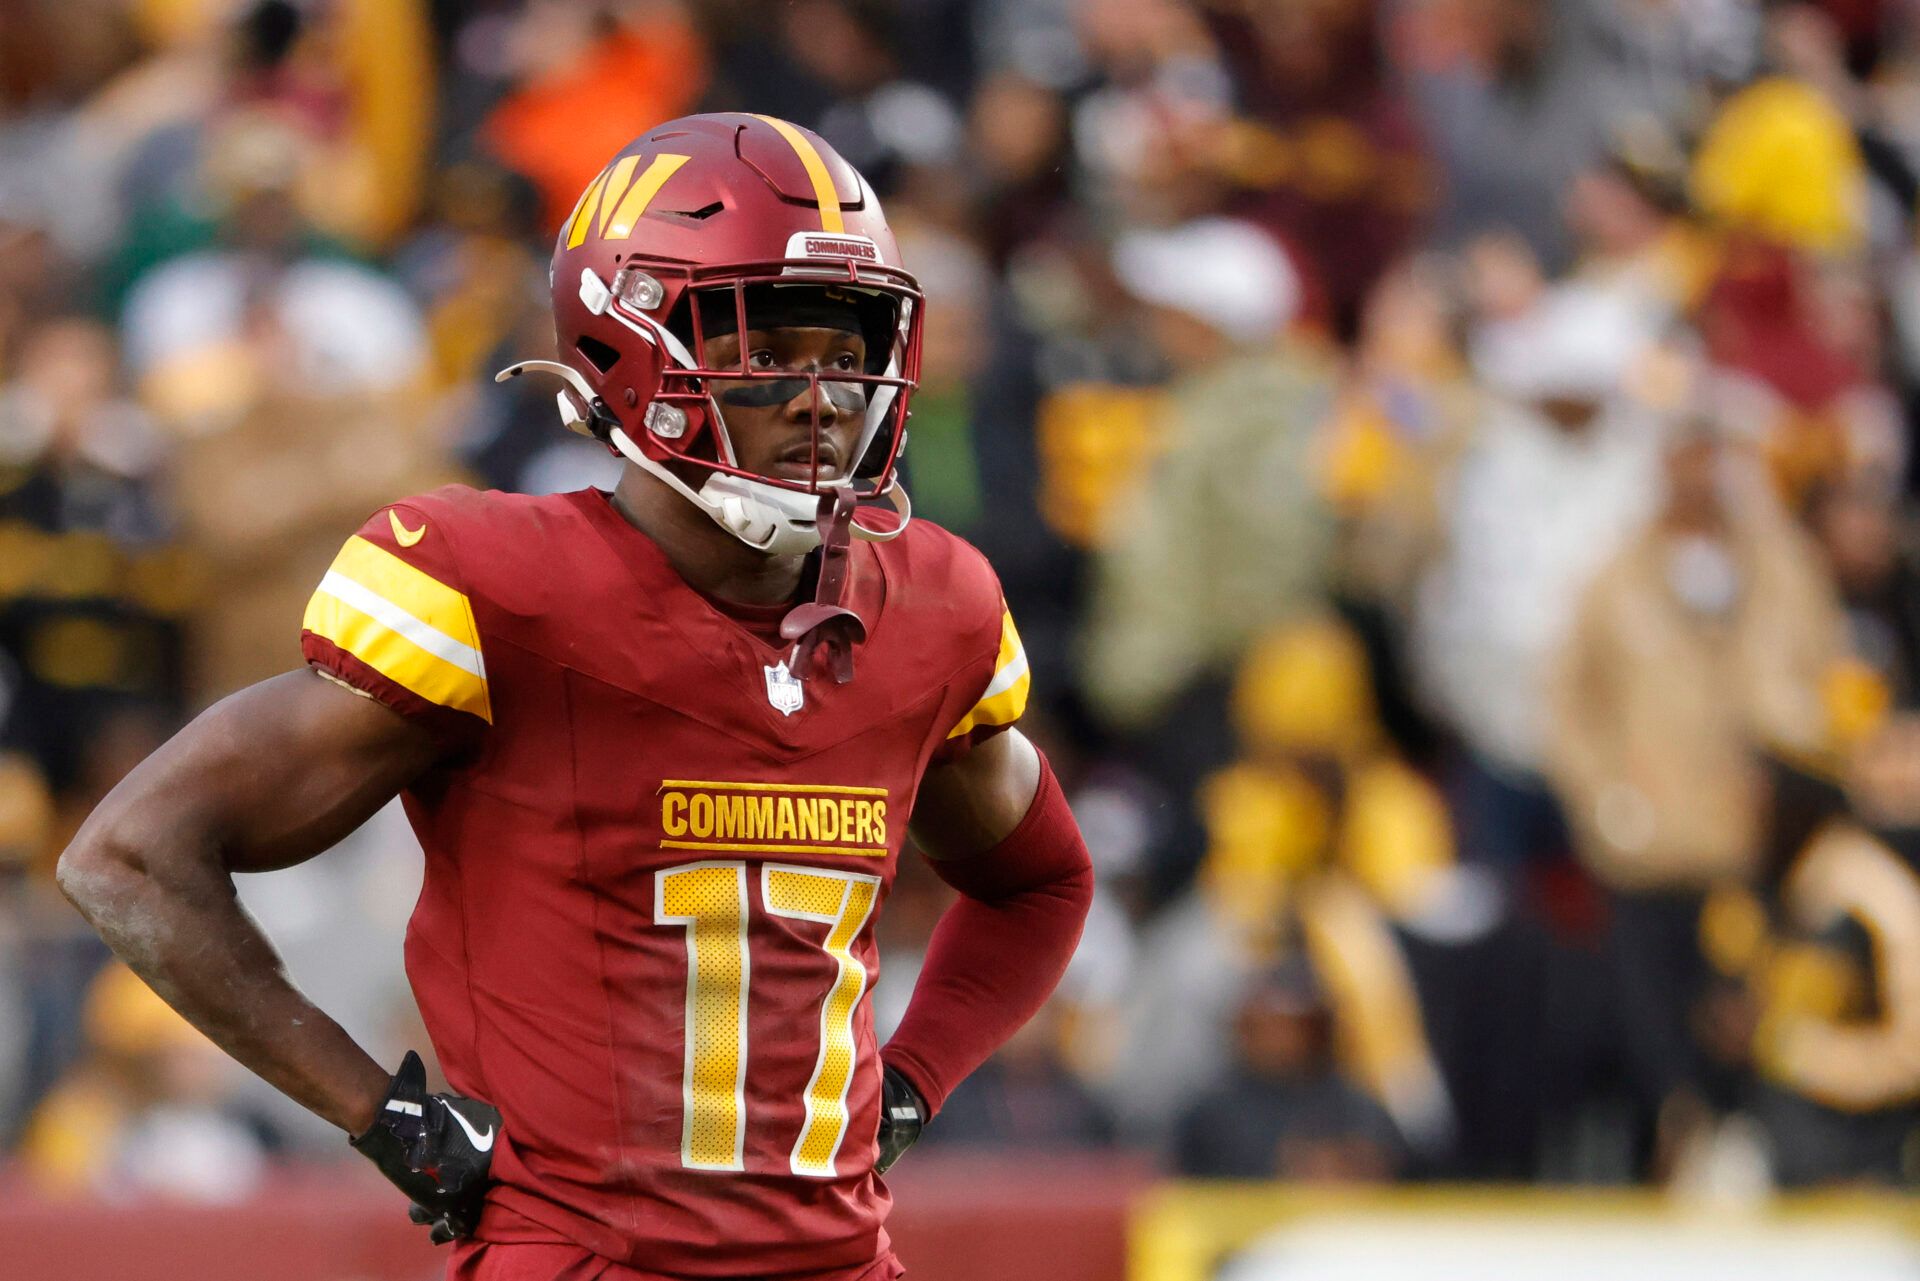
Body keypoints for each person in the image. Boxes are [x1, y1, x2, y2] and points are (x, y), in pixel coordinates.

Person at [54, 114, 1095, 1281]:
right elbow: (131, 854)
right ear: (629, 345)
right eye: (768, 343)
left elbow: (1045, 879)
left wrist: (911, 1082)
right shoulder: (504, 592)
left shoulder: (933, 607)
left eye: (848, 347)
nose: (823, 395)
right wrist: (383, 1117)